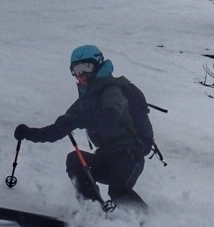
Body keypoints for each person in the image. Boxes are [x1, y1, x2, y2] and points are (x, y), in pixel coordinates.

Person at [14, 45, 148, 209]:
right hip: (107, 156)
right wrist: (29, 133)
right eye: (77, 70)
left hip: (129, 156)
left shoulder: (112, 90)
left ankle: (149, 226)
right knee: (74, 160)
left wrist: (76, 121)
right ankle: (94, 212)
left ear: (98, 65)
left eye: (86, 68)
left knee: (118, 191)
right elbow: (60, 128)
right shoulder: (85, 101)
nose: (82, 74)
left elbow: (109, 116)